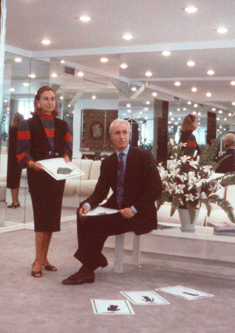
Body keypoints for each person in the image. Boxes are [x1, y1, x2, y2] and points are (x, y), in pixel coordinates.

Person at [63, 119, 163, 285]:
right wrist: (88, 205)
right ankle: (93, 259)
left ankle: (88, 269)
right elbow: (100, 191)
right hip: (117, 208)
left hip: (139, 212)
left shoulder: (143, 156)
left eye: (124, 132)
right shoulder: (108, 162)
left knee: (99, 223)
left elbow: (156, 188)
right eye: (117, 133)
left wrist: (134, 209)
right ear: (111, 137)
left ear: (129, 135)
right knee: (83, 212)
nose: (121, 136)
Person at [16, 86, 72, 278]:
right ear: (38, 102)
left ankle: (45, 258)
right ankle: (37, 261)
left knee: (51, 219)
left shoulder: (63, 125)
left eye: (52, 98)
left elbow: (67, 149)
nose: (50, 102)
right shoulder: (27, 124)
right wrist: (32, 164)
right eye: (45, 98)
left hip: (57, 176)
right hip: (38, 176)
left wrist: (66, 156)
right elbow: (21, 153)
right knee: (41, 219)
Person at [6, 112, 24, 208]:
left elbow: (10, 143)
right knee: (17, 180)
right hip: (19, 157)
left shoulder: (12, 129)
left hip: (12, 157)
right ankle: (17, 200)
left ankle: (14, 201)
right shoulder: (22, 130)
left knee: (12, 180)